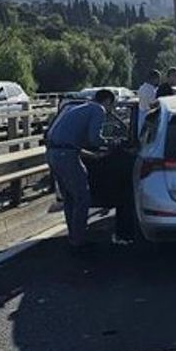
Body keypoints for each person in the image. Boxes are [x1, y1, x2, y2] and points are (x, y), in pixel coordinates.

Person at [46, 89, 116, 248]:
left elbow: (70, 142)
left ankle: (73, 236)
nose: (111, 109)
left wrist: (92, 156)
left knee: (69, 197)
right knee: (82, 197)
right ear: (107, 101)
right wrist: (111, 143)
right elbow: (94, 139)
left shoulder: (77, 108)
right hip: (66, 155)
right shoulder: (98, 109)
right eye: (112, 105)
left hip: (52, 153)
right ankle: (79, 240)